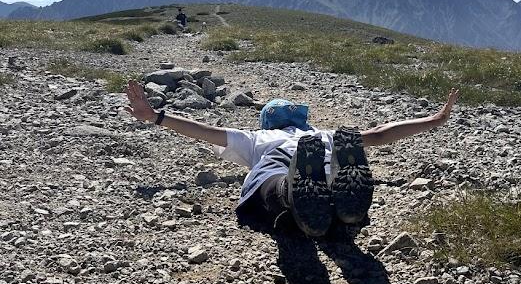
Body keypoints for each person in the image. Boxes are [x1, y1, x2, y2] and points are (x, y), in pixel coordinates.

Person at [125, 82, 459, 239]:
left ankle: (294, 194)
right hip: (323, 160)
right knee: (334, 160)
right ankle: (341, 205)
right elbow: (381, 133)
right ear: (301, 121)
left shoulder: (256, 138)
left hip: (274, 171)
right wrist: (434, 120)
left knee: (271, 182)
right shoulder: (324, 134)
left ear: (267, 122)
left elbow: (205, 131)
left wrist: (156, 117)